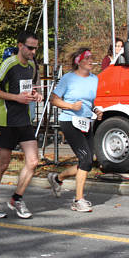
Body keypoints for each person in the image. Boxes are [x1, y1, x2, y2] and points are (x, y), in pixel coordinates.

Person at [0, 31, 43, 219]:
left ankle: (16, 198)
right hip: (6, 120)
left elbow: (30, 87)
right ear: (20, 46)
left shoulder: (32, 65)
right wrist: (15, 97)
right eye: (30, 47)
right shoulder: (8, 64)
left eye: (36, 48)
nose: (33, 51)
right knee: (3, 164)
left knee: (33, 161)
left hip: (24, 119)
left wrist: (36, 95)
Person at [48, 48, 103, 212]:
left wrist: (97, 111)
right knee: (86, 159)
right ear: (79, 61)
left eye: (91, 58)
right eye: (87, 58)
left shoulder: (95, 79)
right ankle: (78, 200)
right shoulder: (68, 78)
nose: (91, 61)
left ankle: (57, 178)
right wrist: (70, 106)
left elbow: (91, 103)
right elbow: (54, 99)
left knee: (87, 161)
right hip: (70, 121)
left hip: (85, 122)